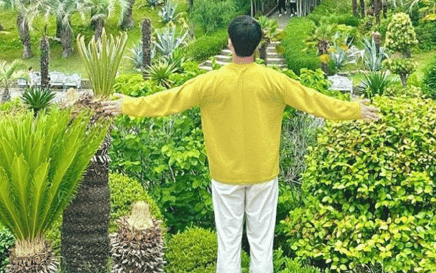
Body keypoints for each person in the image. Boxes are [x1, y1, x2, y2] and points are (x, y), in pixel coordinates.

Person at [103, 16, 380, 273]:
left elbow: (168, 100)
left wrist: (126, 105)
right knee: (261, 248)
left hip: (225, 177)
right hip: (263, 175)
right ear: (258, 45)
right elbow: (315, 101)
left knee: (229, 246)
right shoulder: (275, 81)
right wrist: (354, 109)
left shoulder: (209, 82)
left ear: (229, 42)